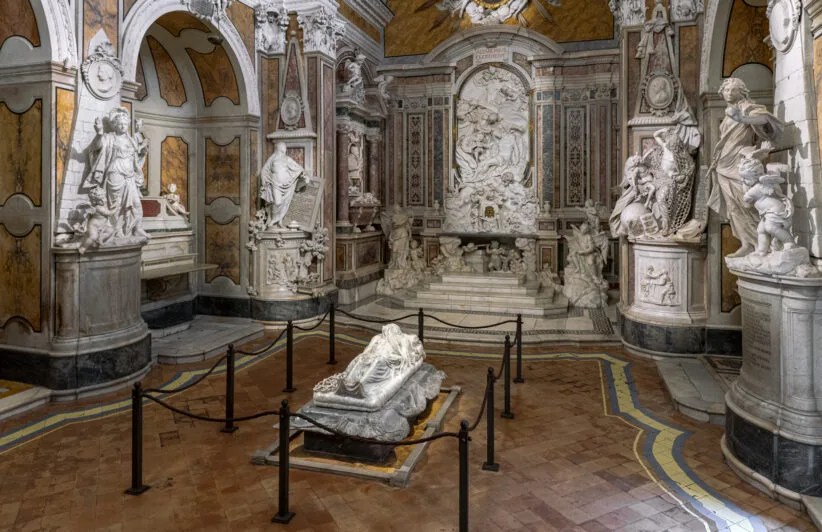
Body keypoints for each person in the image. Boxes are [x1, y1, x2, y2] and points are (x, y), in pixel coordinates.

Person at [707, 78, 784, 257]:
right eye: (725, 90)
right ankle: (746, 243)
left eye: (732, 90)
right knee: (733, 207)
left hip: (740, 162)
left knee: (748, 202)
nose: (728, 93)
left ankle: (767, 242)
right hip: (723, 164)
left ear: (741, 92)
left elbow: (765, 119)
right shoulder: (728, 113)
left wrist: (742, 118)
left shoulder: (747, 106)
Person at [85, 106, 149, 242]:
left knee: (136, 204)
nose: (123, 126)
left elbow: (136, 157)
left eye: (125, 124)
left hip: (130, 176)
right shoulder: (109, 138)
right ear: (114, 125)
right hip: (115, 174)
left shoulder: (131, 140)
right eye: (120, 124)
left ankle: (137, 227)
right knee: (116, 205)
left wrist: (142, 151)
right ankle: (117, 230)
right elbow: (95, 147)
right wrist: (99, 132)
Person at [260, 141, 307, 228]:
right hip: (275, 183)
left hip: (287, 185)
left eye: (285, 147)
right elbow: (264, 170)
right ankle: (273, 221)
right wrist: (264, 182)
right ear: (279, 147)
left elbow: (298, 167)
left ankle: (279, 222)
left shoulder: (287, 158)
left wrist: (303, 174)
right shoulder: (272, 158)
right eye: (283, 147)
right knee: (277, 203)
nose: (285, 149)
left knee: (284, 203)